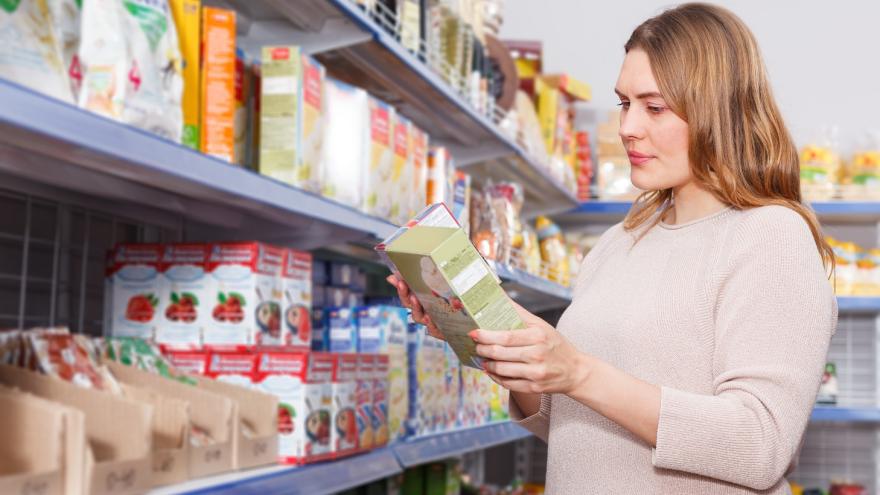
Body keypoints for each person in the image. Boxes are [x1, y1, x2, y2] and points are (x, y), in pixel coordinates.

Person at [389, 3, 837, 493]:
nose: (627, 127)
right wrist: (505, 347)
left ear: (719, 108)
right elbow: (573, 428)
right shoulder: (618, 241)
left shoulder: (770, 236)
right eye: (625, 103)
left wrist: (578, 372)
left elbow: (760, 445)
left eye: (655, 106)